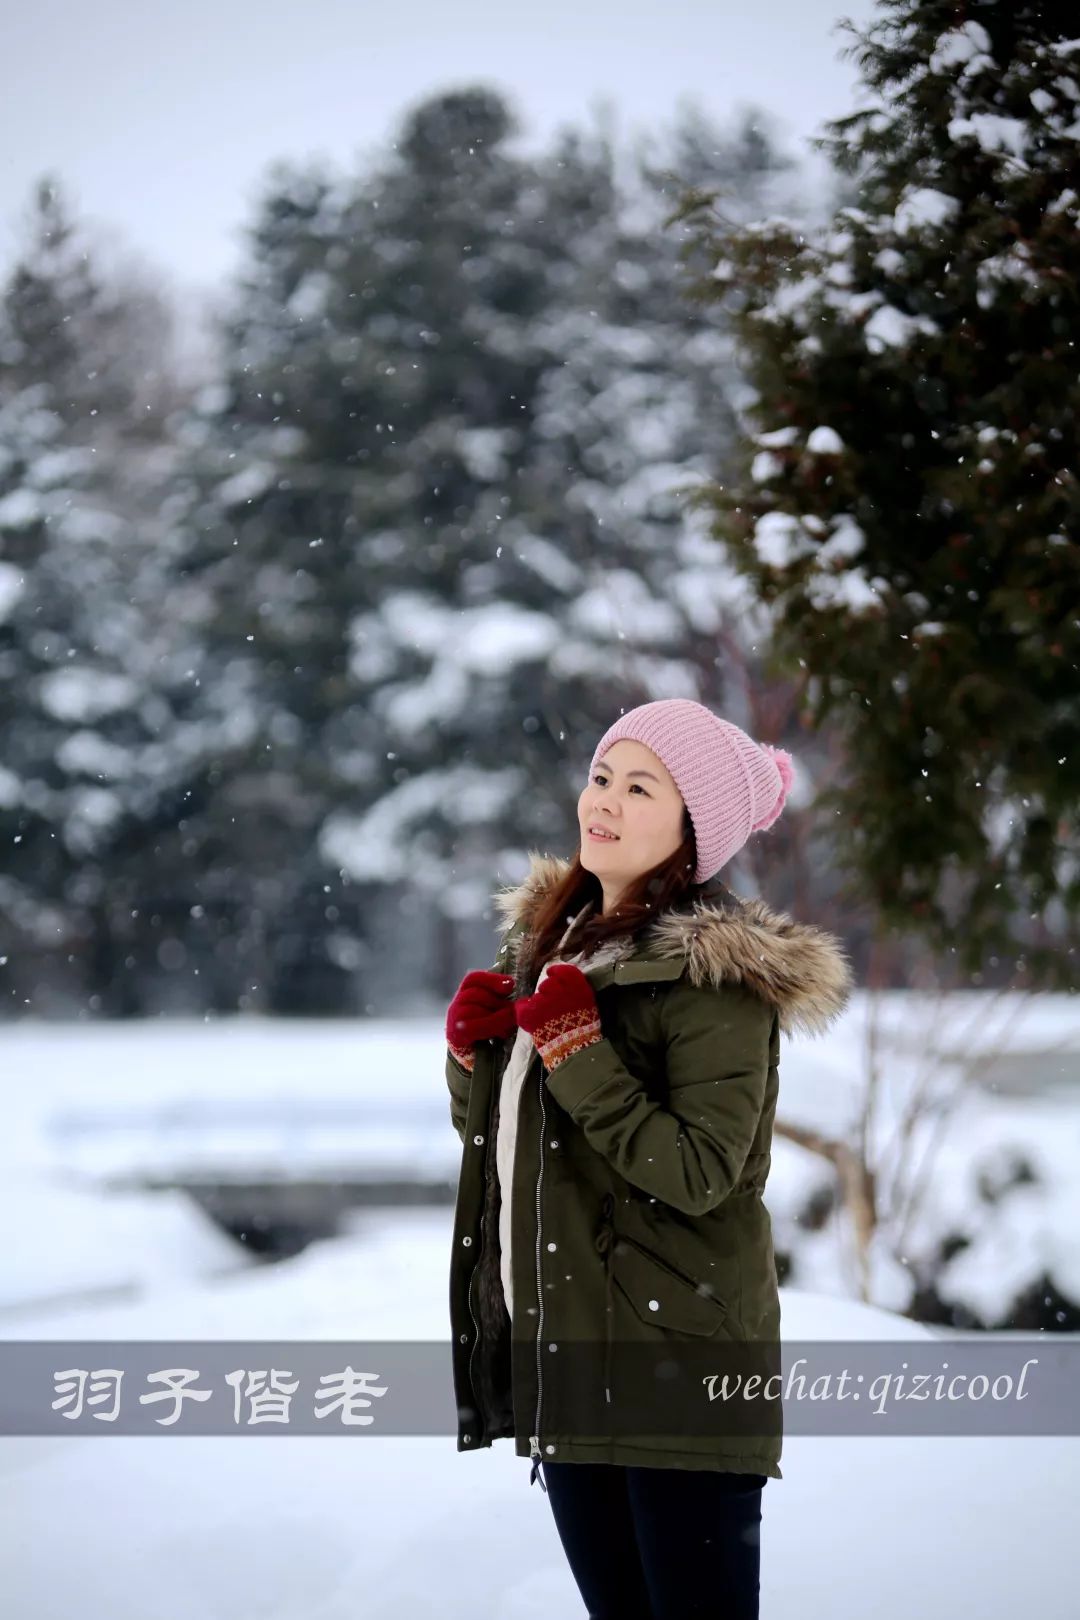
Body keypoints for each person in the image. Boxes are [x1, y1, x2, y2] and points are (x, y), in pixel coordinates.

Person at [444, 698, 854, 1619]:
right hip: (574, 1372)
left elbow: (700, 1174)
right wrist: (475, 1065)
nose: (605, 801)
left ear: (690, 829)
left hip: (682, 1382)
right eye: (601, 777)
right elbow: (534, 1158)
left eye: (640, 788)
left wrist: (577, 1054)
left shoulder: (715, 978)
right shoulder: (557, 952)